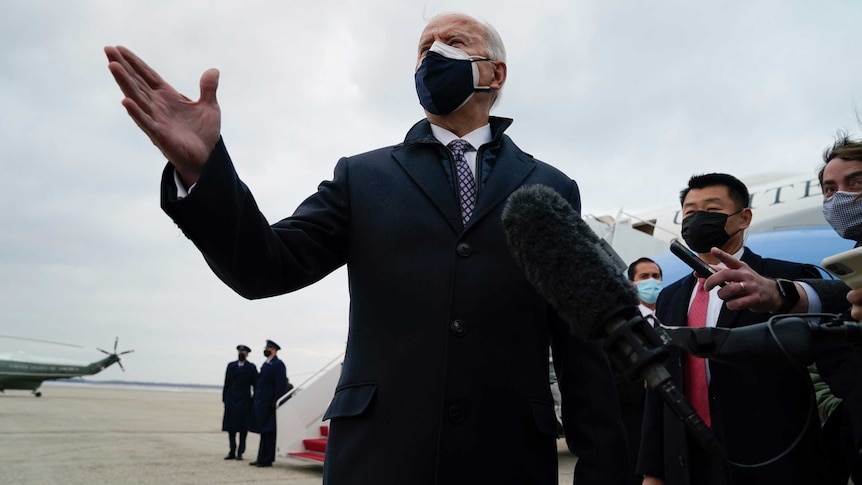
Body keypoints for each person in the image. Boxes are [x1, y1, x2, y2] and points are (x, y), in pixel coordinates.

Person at [104, 12, 629, 484]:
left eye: (454, 41)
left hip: (509, 458)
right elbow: (265, 267)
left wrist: (604, 467)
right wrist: (204, 172)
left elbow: (578, 341)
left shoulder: (552, 187)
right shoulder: (364, 177)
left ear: (496, 73)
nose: (433, 54)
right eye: (424, 48)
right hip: (381, 459)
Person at [637, 173, 827, 485]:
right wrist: (652, 471)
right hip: (688, 461)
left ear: (744, 217)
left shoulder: (786, 280)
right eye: (690, 212)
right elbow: (663, 386)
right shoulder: (670, 297)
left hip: (773, 461)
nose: (698, 219)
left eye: (712, 210)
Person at [611, 258, 662, 485]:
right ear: (632, 283)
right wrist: (644, 383)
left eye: (656, 276)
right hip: (635, 424)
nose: (652, 282)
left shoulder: (672, 316)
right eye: (644, 277)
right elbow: (610, 376)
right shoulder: (620, 323)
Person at [249, 340, 290, 468]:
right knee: (263, 432)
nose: (266, 349)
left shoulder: (278, 365)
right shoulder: (266, 364)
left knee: (269, 432)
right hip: (262, 402)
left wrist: (275, 403)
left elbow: (280, 385)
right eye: (266, 347)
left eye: (269, 348)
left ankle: (267, 459)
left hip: (270, 404)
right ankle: (261, 457)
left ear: (274, 350)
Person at [222, 344, 258, 461]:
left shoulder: (251, 367)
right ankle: (232, 450)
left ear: (247, 355)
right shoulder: (231, 366)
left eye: (243, 352)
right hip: (231, 399)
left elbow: (256, 385)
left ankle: (240, 452)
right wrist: (225, 398)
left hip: (244, 401)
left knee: (243, 429)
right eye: (240, 352)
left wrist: (253, 401)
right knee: (231, 428)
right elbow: (226, 383)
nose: (241, 354)